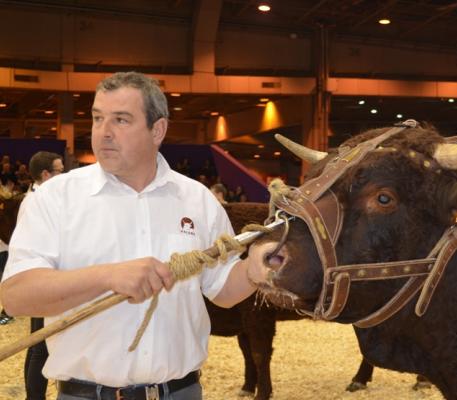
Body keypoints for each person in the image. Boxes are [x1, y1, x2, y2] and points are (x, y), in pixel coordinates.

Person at [0, 71, 275, 400]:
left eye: (121, 120)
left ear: (157, 129)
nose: (103, 133)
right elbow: (16, 297)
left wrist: (255, 270)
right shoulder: (55, 198)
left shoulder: (197, 199)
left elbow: (223, 290)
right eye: (98, 118)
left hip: (181, 392)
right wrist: (108, 276)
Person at [20, 151, 64, 400]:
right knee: (42, 346)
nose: (63, 175)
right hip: (39, 279)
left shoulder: (41, 198)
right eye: (59, 170)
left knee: (37, 342)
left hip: (43, 278)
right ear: (46, 175)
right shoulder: (35, 202)